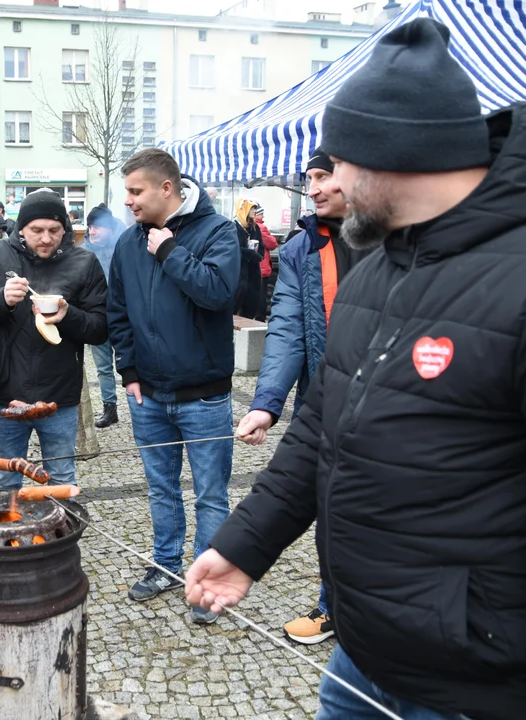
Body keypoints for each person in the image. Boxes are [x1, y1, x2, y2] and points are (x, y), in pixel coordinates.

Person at [186, 18, 526, 720]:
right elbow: (320, 426)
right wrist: (243, 547)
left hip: (478, 686)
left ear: (392, 154)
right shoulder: (374, 266)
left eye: (338, 165)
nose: (329, 184)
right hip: (364, 657)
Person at [234, 148, 368, 646]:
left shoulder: (401, 240)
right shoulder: (301, 247)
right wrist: (266, 403)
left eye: (323, 176)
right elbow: (287, 329)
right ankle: (331, 606)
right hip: (325, 403)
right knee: (328, 507)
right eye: (308, 177)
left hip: (389, 405)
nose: (311, 188)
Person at [107, 149, 238, 620]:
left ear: (167, 188)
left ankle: (209, 582)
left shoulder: (219, 230)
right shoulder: (127, 243)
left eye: (135, 191)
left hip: (204, 395)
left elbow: (218, 291)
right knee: (161, 488)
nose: (128, 201)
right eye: (127, 191)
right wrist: (130, 372)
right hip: (149, 396)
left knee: (210, 492)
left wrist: (168, 251)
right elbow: (117, 312)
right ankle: (165, 565)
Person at [0, 189, 108, 489]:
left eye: (54, 230)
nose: (46, 239)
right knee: (6, 477)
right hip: (6, 393)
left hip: (59, 396)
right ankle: (7, 536)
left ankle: (61, 536)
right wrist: (1, 298)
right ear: (20, 227)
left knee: (61, 479)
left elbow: (101, 328)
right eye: (37, 230)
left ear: (66, 229)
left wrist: (68, 315)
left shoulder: (84, 263)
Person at [83, 203, 125, 429]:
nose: (93, 231)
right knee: (102, 367)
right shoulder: (84, 252)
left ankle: (139, 405)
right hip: (96, 318)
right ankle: (110, 407)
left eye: (98, 226)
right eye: (90, 226)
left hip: (122, 318)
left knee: (130, 363)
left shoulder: (124, 247)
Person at [232, 199, 264, 319]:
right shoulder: (233, 227)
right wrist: (250, 254)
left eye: (255, 208)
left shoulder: (255, 228)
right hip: (239, 271)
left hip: (253, 272)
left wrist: (257, 255)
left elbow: (261, 250)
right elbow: (234, 249)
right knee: (236, 301)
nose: (255, 211)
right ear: (243, 209)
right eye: (252, 208)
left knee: (252, 303)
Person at [252, 205, 278, 320]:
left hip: (253, 265)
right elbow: (272, 244)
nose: (263, 216)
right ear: (257, 214)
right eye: (261, 214)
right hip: (262, 266)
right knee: (261, 294)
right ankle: (260, 317)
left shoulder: (248, 225)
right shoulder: (261, 227)